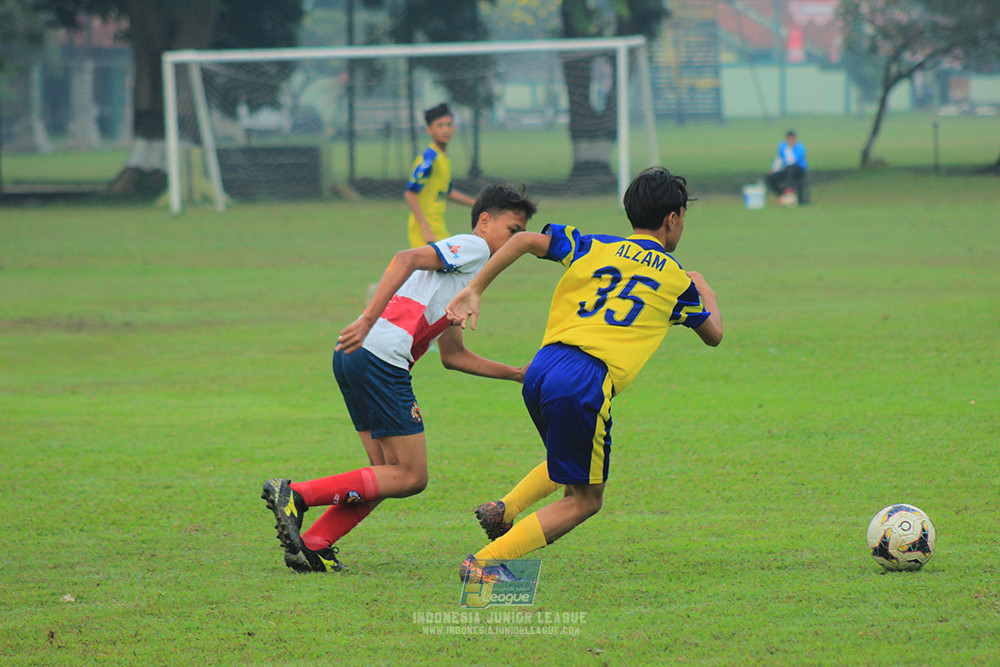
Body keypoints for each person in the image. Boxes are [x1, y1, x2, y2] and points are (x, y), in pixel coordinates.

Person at [445, 167, 724, 583]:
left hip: (542, 368)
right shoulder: (677, 280)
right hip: (583, 381)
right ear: (673, 218)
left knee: (570, 462)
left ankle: (504, 509)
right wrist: (706, 290)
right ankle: (485, 564)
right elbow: (714, 335)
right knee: (585, 499)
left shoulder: (594, 245)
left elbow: (522, 240)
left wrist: (475, 289)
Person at [261, 183, 537, 573]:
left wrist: (519, 374)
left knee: (383, 475)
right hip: (380, 357)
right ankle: (297, 495)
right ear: (485, 222)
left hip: (353, 355)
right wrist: (368, 318)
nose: (515, 242)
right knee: (411, 476)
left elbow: (454, 356)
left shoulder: (462, 276)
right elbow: (405, 257)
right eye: (513, 231)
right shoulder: (474, 248)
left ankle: (315, 543)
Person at [404, 103, 477, 248]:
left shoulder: (442, 158)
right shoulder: (429, 159)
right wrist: (425, 228)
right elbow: (410, 193)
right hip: (426, 230)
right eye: (440, 126)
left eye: (449, 125)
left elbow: (447, 191)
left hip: (438, 227)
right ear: (429, 130)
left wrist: (478, 204)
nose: (446, 130)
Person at [765, 130, 809, 204]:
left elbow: (792, 161)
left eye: (792, 139)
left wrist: (788, 150)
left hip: (799, 170)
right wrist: (774, 170)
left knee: (790, 169)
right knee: (770, 177)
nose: (791, 141)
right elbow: (779, 159)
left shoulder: (800, 148)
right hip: (788, 170)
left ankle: (789, 190)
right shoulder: (782, 146)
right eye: (789, 139)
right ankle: (781, 195)